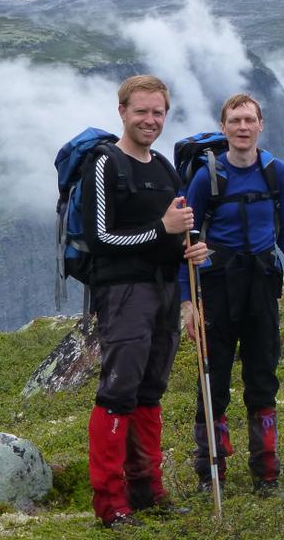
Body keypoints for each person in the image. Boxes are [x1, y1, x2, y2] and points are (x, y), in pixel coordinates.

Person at [179, 94, 284, 497]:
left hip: (262, 285)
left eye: (249, 120)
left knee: (263, 378)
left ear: (261, 125)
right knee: (215, 381)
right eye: (235, 121)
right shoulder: (205, 177)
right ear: (223, 127)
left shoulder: (278, 174)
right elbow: (187, 243)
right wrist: (188, 304)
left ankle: (266, 472)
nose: (242, 128)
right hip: (218, 286)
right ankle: (212, 472)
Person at [83, 75, 208, 528]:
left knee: (150, 390)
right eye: (141, 111)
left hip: (164, 292)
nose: (150, 120)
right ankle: (110, 503)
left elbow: (179, 233)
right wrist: (163, 231)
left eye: (158, 112)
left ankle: (147, 491)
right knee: (118, 391)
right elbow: (100, 237)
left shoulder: (166, 169)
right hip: (122, 293)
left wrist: (191, 249)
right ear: (122, 111)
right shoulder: (104, 163)